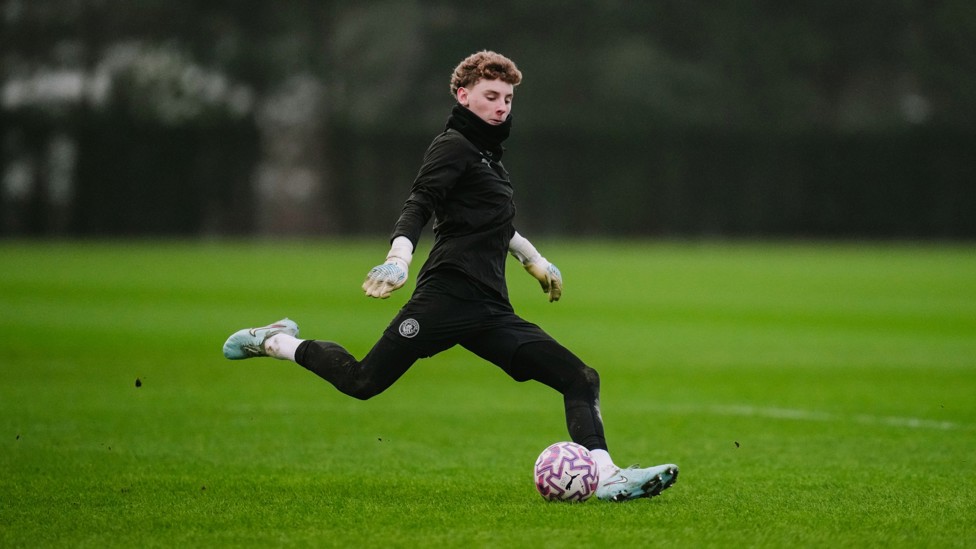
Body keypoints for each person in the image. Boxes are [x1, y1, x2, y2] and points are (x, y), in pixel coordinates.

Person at [223, 50, 678, 502]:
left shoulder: (488, 157)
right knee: (362, 382)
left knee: (580, 378)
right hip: (445, 297)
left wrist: (533, 259)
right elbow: (419, 202)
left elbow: (493, 221)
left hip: (489, 309)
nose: (502, 106)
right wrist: (399, 259)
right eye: (491, 95)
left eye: (508, 98)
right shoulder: (453, 146)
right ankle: (275, 340)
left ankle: (608, 476)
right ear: (464, 96)